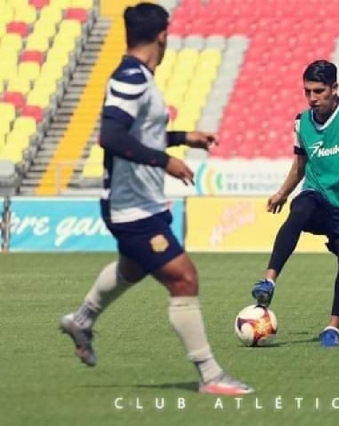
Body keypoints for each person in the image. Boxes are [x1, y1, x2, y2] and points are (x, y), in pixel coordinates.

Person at [59, 3, 253, 395]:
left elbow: (137, 135)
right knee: (184, 278)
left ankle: (81, 321)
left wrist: (183, 138)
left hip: (142, 202)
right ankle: (211, 376)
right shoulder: (130, 77)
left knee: (132, 268)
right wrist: (166, 161)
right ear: (162, 35)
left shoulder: (139, 77)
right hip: (129, 207)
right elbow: (111, 137)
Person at [250, 60, 339, 347]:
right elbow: (300, 166)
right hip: (317, 196)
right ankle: (268, 282)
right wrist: (283, 193)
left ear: (334, 89)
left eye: (319, 91)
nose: (312, 98)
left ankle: (333, 328)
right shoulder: (301, 122)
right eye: (307, 92)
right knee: (300, 209)